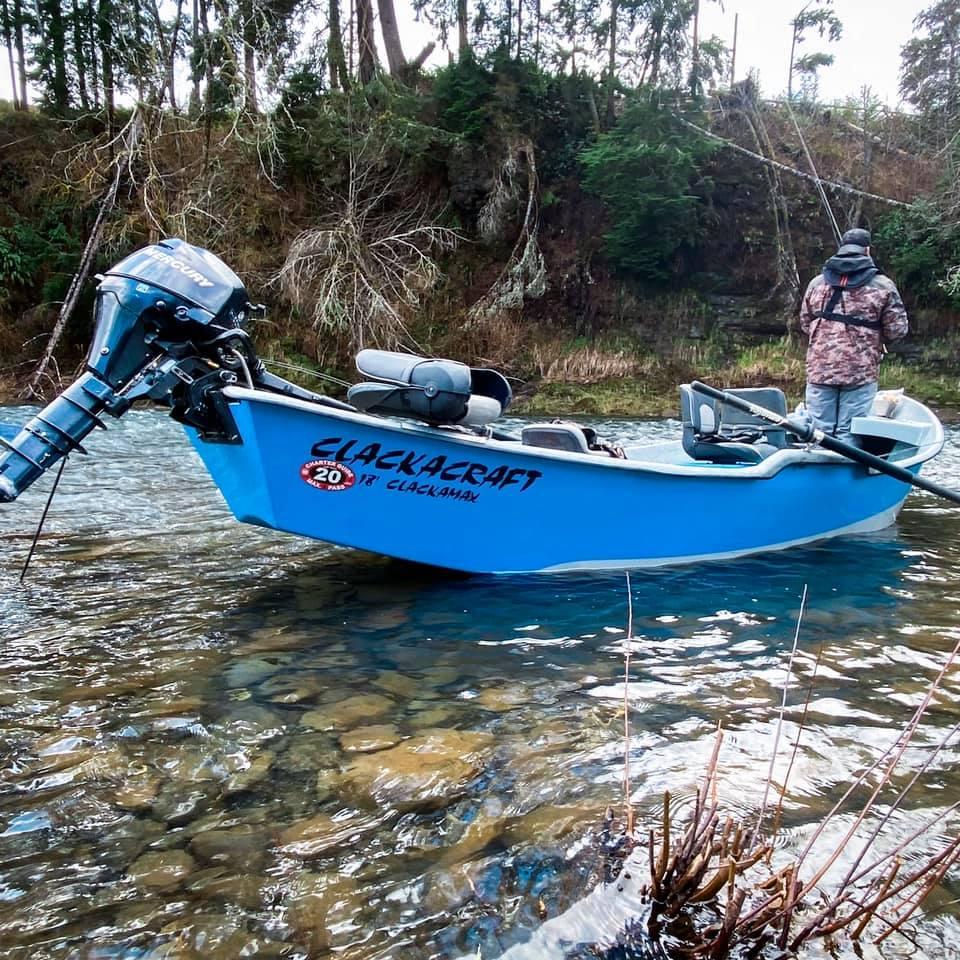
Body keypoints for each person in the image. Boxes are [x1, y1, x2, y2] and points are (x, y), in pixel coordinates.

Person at [799, 227, 908, 441]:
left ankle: (818, 470)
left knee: (818, 433)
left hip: (820, 367)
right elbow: (897, 330)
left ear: (842, 249)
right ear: (867, 250)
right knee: (849, 434)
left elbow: (805, 322)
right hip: (860, 371)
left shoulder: (816, 283)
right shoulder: (883, 285)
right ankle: (844, 470)